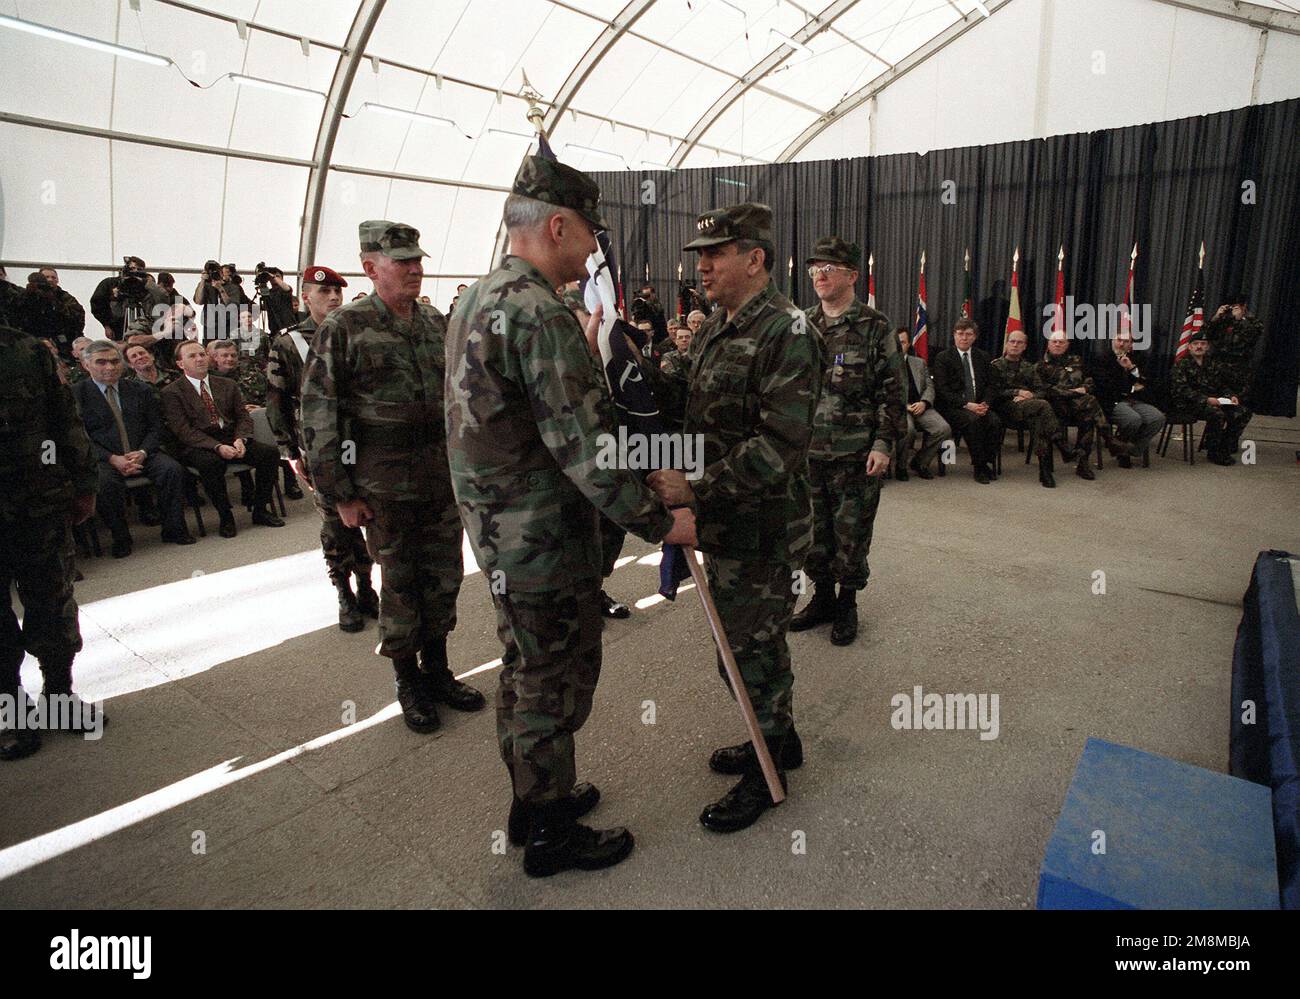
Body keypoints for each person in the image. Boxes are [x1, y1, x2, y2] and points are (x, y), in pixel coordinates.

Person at [446, 156, 695, 877]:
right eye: (591, 235)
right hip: (543, 537)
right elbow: (585, 448)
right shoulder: (538, 313)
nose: (594, 252)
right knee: (554, 677)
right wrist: (659, 520)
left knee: (525, 669)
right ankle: (551, 833)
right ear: (557, 225)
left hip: (500, 535)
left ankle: (532, 800)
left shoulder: (477, 298)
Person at [646, 201, 822, 833]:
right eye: (701, 256)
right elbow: (691, 401)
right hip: (729, 519)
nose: (704, 267)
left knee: (749, 650)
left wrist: (694, 486)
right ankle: (780, 738)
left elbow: (781, 444)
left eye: (717, 254)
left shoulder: (787, 332)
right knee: (743, 644)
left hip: (763, 523)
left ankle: (769, 767)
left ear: (756, 259)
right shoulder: (722, 325)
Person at [303, 221, 486, 736]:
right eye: (402, 261)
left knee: (444, 577)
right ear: (370, 268)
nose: (415, 268)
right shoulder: (344, 327)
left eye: (417, 259)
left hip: (439, 478)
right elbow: (320, 414)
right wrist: (339, 493)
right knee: (401, 584)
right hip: (383, 484)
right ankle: (408, 681)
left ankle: (440, 670)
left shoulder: (432, 321)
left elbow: (460, 394)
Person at [789, 237, 903, 646]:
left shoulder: (875, 327)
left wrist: (883, 443)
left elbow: (893, 392)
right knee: (814, 534)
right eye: (814, 269)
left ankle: (848, 603)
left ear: (852, 275)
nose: (819, 275)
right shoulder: (800, 324)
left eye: (828, 268)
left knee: (851, 534)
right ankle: (822, 598)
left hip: (856, 454)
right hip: (808, 454)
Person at [1, 315, 100, 761]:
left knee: (53, 599)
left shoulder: (26, 350)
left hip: (37, 502)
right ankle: (9, 710)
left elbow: (66, 420)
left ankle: (59, 697)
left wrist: (84, 483)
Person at [267, 265, 378, 633]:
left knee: (366, 516)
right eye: (323, 293)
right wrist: (289, 451)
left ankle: (366, 587)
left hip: (362, 444)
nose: (332, 298)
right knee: (335, 523)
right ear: (305, 298)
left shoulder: (358, 333)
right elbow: (277, 401)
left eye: (337, 292)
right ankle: (344, 592)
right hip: (319, 448)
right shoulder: (289, 342)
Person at [74, 340, 193, 555]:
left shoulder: (140, 389)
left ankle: (173, 529)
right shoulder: (76, 395)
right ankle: (121, 537)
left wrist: (143, 452)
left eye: (114, 361)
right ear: (86, 365)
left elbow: (156, 427)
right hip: (104, 459)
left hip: (143, 452)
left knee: (172, 470)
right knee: (103, 483)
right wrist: (112, 458)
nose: (109, 367)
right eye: (101, 362)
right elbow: (81, 437)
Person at [161, 339, 285, 537]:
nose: (199, 359)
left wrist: (241, 439)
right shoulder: (172, 392)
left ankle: (260, 509)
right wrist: (217, 446)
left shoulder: (227, 384)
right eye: (192, 356)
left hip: (231, 437)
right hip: (199, 444)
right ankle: (225, 516)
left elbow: (243, 416)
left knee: (269, 454)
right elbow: (183, 430)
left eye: (202, 354)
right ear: (180, 364)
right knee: (210, 464)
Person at [1037, 333, 1129, 480]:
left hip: (1078, 405)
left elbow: (1090, 381)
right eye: (1054, 341)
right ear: (1048, 344)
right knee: (1090, 403)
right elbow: (1043, 389)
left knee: (1088, 415)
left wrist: (1085, 388)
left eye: (1061, 342)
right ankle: (1109, 440)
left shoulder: (1077, 361)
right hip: (1056, 407)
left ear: (1067, 344)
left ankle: (1083, 463)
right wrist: (1071, 392)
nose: (1057, 344)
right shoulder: (1040, 366)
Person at [990, 330, 1072, 488]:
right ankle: (1061, 445)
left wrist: (1029, 396)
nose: (1015, 345)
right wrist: (1016, 392)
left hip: (1029, 408)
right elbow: (993, 392)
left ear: (1025, 346)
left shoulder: (1029, 367)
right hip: (1004, 408)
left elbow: (1041, 390)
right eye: (1012, 341)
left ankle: (1045, 470)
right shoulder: (995, 366)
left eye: (1019, 342)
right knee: (1043, 406)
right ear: (1006, 344)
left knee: (1040, 419)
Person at [933, 318, 1001, 483]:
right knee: (973, 421)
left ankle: (985, 461)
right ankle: (980, 468)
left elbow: (992, 385)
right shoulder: (943, 357)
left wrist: (985, 403)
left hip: (979, 405)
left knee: (995, 422)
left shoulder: (983, 357)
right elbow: (942, 390)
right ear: (954, 336)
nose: (964, 338)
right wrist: (967, 405)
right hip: (954, 407)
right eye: (960, 334)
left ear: (974, 337)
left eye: (968, 334)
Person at [1170, 330, 1251, 465]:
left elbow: (1222, 385)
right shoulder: (1182, 364)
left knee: (1242, 412)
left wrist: (1231, 396)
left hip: (1212, 401)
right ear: (1189, 347)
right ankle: (1213, 452)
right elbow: (1181, 390)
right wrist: (1206, 399)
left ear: (1207, 347)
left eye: (1203, 344)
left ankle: (1223, 447)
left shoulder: (1212, 364)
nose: (1199, 346)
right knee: (1217, 414)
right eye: (1196, 344)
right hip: (1188, 403)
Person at [1092, 329, 1165, 466]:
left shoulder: (1139, 358)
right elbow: (1105, 385)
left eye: (1126, 341)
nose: (1121, 344)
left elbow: (1148, 383)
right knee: (1133, 419)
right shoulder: (1102, 358)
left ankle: (1130, 448)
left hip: (1136, 400)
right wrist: (1131, 386)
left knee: (1158, 418)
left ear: (1131, 344)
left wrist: (1131, 368)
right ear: (1113, 341)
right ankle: (1122, 451)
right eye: (1119, 340)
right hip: (1112, 402)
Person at [896, 328, 951, 480]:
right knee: (909, 430)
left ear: (908, 344)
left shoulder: (919, 363)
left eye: (902, 342)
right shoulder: (885, 364)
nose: (899, 346)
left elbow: (929, 386)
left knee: (943, 428)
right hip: (899, 407)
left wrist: (924, 402)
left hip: (921, 406)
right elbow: (884, 390)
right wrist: (904, 405)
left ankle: (920, 462)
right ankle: (900, 466)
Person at [89, 257, 167, 341]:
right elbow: (97, 304)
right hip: (118, 327)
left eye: (139, 270)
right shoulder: (110, 283)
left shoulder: (145, 285)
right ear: (125, 269)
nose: (134, 272)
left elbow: (163, 297)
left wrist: (147, 283)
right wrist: (106, 325)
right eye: (132, 269)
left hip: (141, 327)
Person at [1203, 294, 1263, 401]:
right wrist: (1216, 317)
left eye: (1236, 306)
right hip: (1219, 364)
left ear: (1244, 306)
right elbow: (1207, 335)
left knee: (1236, 402)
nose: (1232, 309)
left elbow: (1244, 342)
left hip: (1238, 367)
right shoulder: (1224, 319)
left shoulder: (1253, 322)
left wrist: (1239, 320)